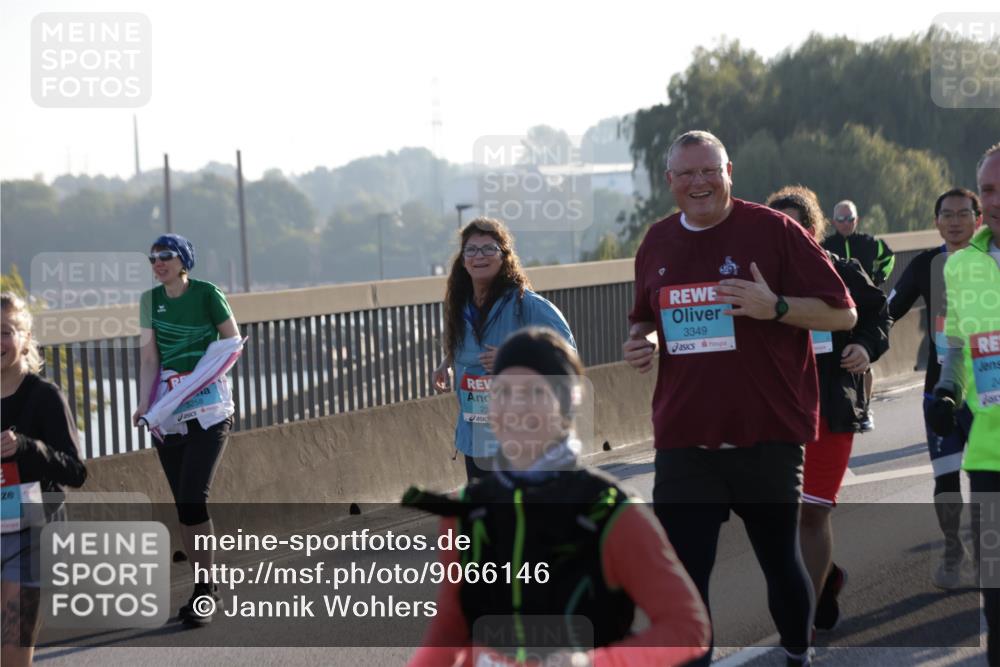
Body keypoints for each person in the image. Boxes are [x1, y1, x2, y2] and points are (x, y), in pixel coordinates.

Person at [623, 130, 857, 667]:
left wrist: (773, 306)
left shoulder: (773, 230)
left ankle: (798, 652)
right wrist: (643, 343)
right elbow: (645, 318)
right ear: (670, 182)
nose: (699, 183)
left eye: (710, 171)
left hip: (767, 434)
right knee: (685, 578)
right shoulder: (656, 241)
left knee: (779, 562)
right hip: (685, 437)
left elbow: (842, 313)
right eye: (687, 173)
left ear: (729, 173)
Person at [407, 327, 711, 667]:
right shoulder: (464, 513)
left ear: (567, 405)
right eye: (503, 391)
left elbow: (688, 628)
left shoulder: (610, 512)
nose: (516, 406)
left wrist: (590, 664)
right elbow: (450, 630)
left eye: (535, 391)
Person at [766, 186, 890, 632]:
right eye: (779, 225)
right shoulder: (759, 281)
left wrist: (863, 344)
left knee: (813, 511)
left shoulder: (842, 271)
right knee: (780, 516)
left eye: (797, 225)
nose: (789, 233)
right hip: (775, 411)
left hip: (829, 407)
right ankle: (825, 576)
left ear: (813, 229)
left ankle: (808, 606)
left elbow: (879, 315)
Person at [132, 234, 242, 627]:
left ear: (183, 262)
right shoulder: (149, 302)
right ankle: (203, 584)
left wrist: (200, 376)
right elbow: (149, 358)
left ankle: (204, 590)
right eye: (153, 258)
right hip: (169, 413)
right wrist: (145, 405)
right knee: (183, 504)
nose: (158, 262)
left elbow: (232, 342)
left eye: (166, 256)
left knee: (195, 497)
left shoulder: (208, 294)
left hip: (210, 410)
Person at [888, 187, 982, 589]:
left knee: (986, 482)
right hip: (939, 393)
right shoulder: (927, 264)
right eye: (948, 214)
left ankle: (986, 556)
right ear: (936, 222)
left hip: (988, 395)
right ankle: (952, 548)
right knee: (945, 481)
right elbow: (888, 310)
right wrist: (861, 339)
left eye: (964, 213)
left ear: (978, 219)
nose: (956, 221)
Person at [432, 218, 575, 481]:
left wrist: (514, 358)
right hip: (476, 435)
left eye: (489, 249)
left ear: (504, 257)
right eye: (472, 250)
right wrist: (448, 361)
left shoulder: (527, 304)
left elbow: (566, 354)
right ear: (463, 261)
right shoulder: (460, 306)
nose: (480, 256)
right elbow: (470, 345)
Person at [930, 143, 1000, 666]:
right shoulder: (962, 265)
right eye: (991, 189)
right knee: (996, 597)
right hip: (991, 448)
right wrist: (948, 390)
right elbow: (959, 345)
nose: (997, 200)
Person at [1, 292, 87, 667]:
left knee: (12, 654)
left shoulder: (44, 396)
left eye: (4, 331)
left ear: (24, 336)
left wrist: (27, 447)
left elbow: (75, 471)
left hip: (31, 533)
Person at [822, 200, 896, 432]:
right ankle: (851, 405)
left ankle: (864, 407)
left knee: (865, 361)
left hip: (865, 305)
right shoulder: (826, 244)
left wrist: (877, 278)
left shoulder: (869, 242)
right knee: (845, 360)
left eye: (850, 219)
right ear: (833, 221)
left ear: (857, 220)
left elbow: (889, 258)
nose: (846, 223)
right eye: (841, 219)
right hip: (839, 309)